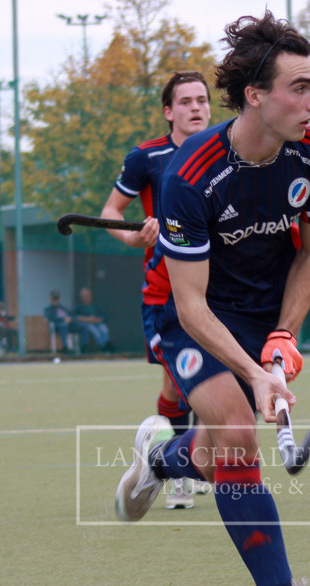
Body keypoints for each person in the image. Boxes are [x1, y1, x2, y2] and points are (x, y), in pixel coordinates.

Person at [114, 11, 310, 586]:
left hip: (262, 314)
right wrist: (257, 374)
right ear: (255, 96)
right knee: (238, 432)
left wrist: (283, 341)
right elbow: (190, 304)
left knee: (215, 457)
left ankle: (162, 458)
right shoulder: (191, 174)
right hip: (193, 318)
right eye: (299, 87)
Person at [101, 70, 212, 509]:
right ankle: (172, 466)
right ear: (169, 112)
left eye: (202, 100)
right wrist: (132, 237)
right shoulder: (147, 157)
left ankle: (197, 461)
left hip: (217, 288)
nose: (196, 108)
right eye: (185, 101)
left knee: (214, 376)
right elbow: (112, 210)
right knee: (178, 380)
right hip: (164, 289)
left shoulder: (226, 152)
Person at [72, 287, 113, 352]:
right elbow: (74, 317)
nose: (86, 298)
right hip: (87, 324)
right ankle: (103, 346)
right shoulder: (79, 307)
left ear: (91, 296)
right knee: (96, 332)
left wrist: (96, 319)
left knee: (104, 329)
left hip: (97, 323)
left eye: (87, 296)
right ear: (81, 297)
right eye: (84, 296)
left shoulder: (96, 306)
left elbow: (104, 317)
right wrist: (87, 319)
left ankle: (106, 344)